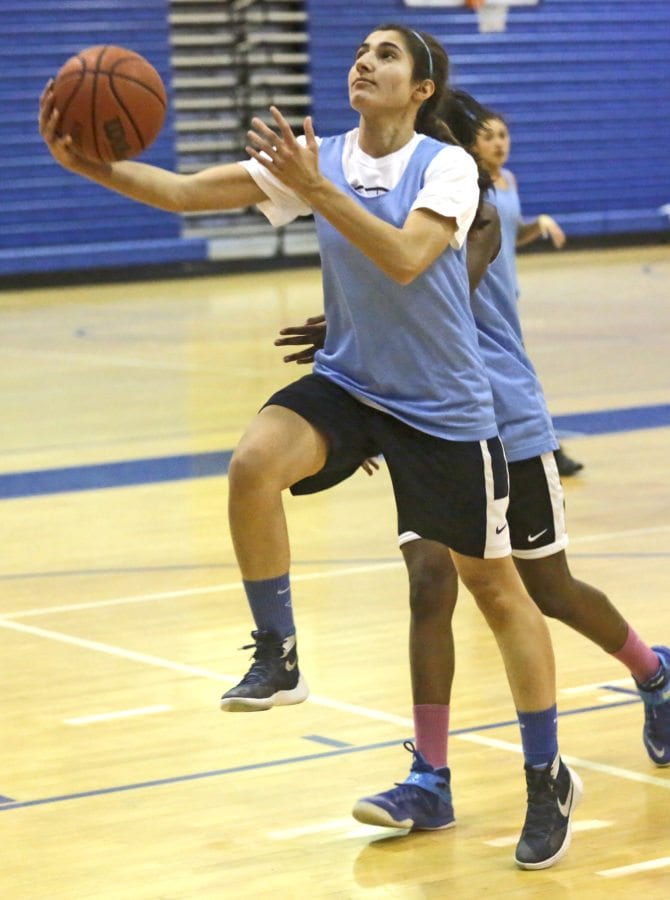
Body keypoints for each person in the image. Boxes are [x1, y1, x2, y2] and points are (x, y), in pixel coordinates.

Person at [40, 24, 580, 869]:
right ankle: (278, 653)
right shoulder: (319, 157)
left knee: (494, 590)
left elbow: (405, 257)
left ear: (422, 88)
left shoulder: (447, 169)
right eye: (362, 50)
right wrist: (91, 166)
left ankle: (546, 775)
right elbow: (185, 193)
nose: (366, 60)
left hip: (442, 407)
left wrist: (314, 189)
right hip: (355, 384)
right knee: (254, 463)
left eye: (388, 54)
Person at [274, 88, 670, 848]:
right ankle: (429, 778)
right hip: (427, 419)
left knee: (547, 589)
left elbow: (441, 284)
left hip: (505, 422)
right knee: (429, 585)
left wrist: (350, 321)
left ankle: (653, 673)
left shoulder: (475, 210)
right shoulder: (401, 196)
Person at [471, 109, 584, 477]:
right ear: (473, 143)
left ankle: (511, 446)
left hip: (507, 294)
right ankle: (546, 449)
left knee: (505, 375)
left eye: (503, 135)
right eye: (489, 137)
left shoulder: (509, 181)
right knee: (514, 374)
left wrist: (540, 224)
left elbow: (512, 233)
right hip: (480, 295)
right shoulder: (469, 186)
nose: (499, 143)